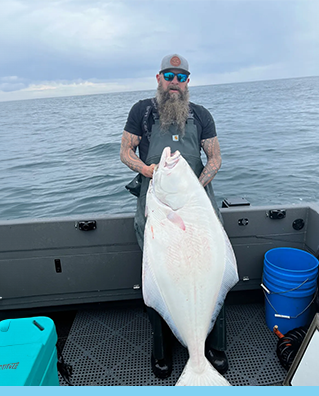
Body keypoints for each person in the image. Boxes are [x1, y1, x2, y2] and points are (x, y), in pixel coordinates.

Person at [120, 54, 228, 379]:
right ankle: (162, 351)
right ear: (158, 78)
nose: (175, 83)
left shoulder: (201, 115)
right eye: (169, 76)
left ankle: (213, 347)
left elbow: (215, 158)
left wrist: (194, 187)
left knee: (211, 271)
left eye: (181, 77)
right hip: (156, 210)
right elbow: (125, 151)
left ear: (188, 82)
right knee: (161, 277)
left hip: (198, 211)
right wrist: (146, 170)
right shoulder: (142, 112)